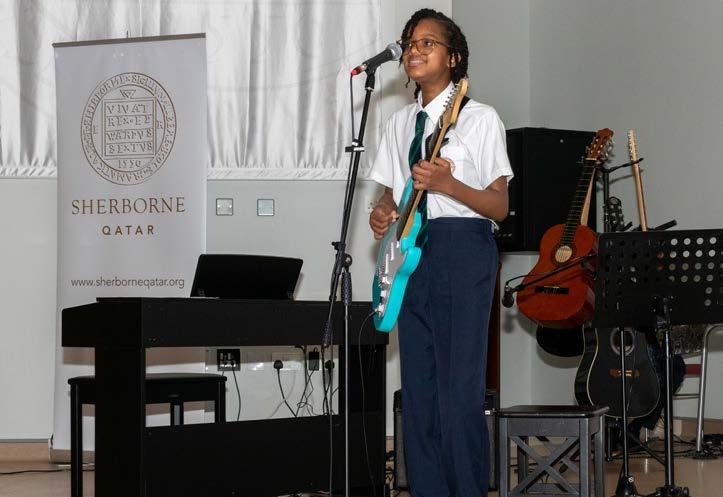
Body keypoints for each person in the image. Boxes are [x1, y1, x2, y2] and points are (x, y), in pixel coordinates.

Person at [368, 9, 513, 497]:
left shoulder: (478, 118)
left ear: (454, 58)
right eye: (410, 43)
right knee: (420, 390)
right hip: (410, 254)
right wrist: (381, 213)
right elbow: (388, 195)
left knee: (459, 391)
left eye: (427, 43)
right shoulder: (399, 123)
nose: (414, 50)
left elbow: (500, 206)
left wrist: (451, 185)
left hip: (462, 249)